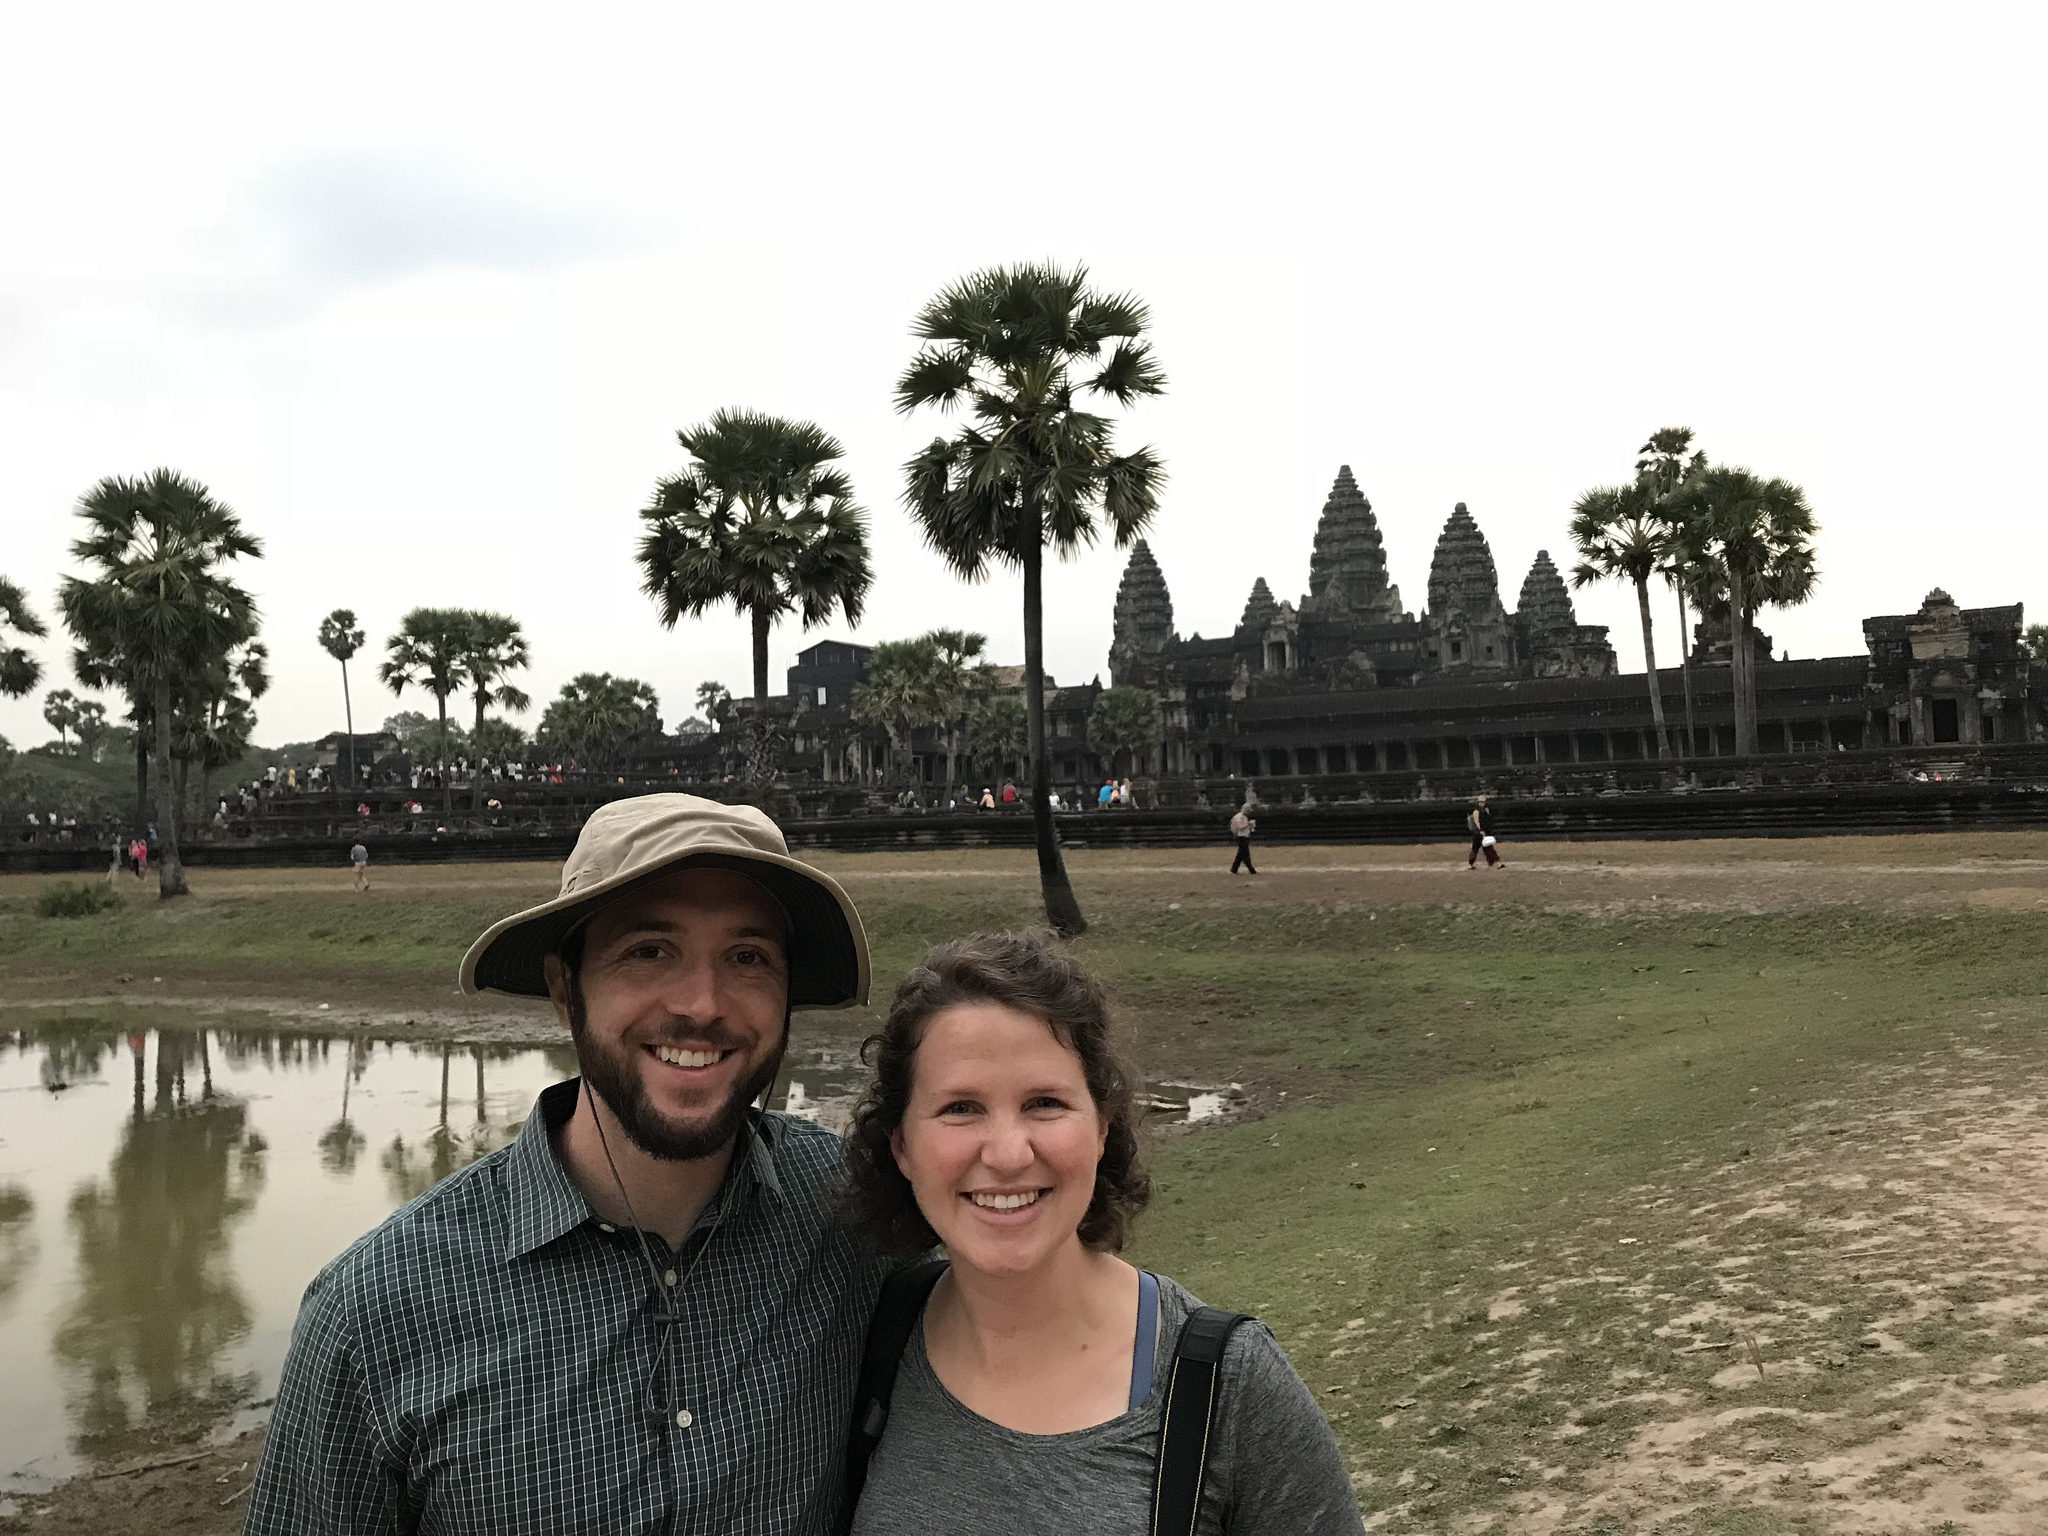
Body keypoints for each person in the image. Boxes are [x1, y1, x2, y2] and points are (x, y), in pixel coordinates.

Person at [247, 795, 894, 1533]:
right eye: (650, 950)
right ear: (565, 990)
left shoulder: (853, 1213)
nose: (702, 1004)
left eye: (748, 958)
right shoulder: (375, 1314)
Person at [840, 933, 1363, 1534]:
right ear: (901, 1145)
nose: (1009, 1154)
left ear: (1102, 1129)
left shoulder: (1229, 1386)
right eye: (961, 1108)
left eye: (1044, 1102)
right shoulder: (878, 1334)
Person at [1466, 795, 1502, 869]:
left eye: (1483, 802)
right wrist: (1480, 830)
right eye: (1481, 802)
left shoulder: (1486, 809)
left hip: (1485, 831)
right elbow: (1476, 821)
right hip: (1479, 832)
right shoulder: (1476, 811)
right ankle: (1472, 863)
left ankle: (1495, 863)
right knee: (1476, 848)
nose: (1482, 803)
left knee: (1488, 847)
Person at [1229, 802, 1257, 875]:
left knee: (1243, 854)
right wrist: (1249, 823)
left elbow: (1246, 828)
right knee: (1243, 854)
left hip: (1245, 836)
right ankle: (1251, 870)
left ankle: (1235, 869)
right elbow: (1240, 827)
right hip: (1240, 836)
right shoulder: (1238, 817)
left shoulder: (1244, 817)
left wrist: (1251, 826)